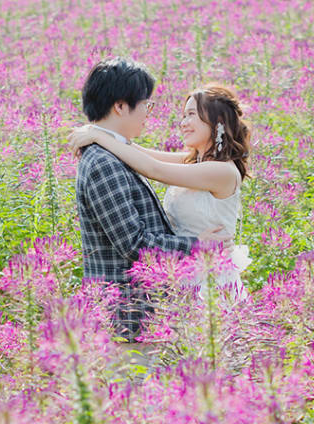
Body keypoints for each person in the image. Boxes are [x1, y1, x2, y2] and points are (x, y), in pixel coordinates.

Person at [75, 58, 223, 344]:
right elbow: (134, 244)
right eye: (146, 104)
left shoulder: (112, 154)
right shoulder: (103, 163)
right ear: (121, 106)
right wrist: (195, 244)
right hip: (127, 319)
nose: (148, 113)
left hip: (141, 316)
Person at [69, 83, 251, 299]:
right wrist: (100, 131)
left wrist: (98, 137)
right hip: (183, 274)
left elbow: (154, 169)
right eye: (183, 116)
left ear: (217, 120)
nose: (183, 123)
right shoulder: (194, 162)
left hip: (210, 280)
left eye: (191, 115)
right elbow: (143, 153)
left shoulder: (222, 171)